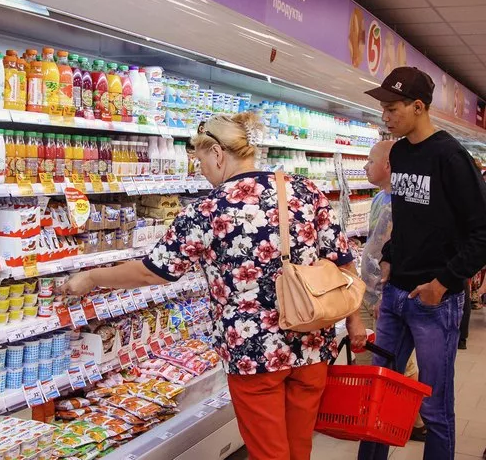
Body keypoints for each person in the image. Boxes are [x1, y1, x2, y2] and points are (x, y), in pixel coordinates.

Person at [60, 111, 368, 460]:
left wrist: (92, 277)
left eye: (201, 160)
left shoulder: (208, 209)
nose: (201, 169)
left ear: (218, 153)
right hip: (312, 340)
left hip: (253, 352)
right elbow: (343, 262)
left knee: (269, 454)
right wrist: (354, 320)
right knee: (299, 449)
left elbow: (152, 272)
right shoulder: (304, 190)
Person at [359, 66, 486, 460]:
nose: (385, 116)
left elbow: (482, 232)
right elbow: (406, 220)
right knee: (378, 397)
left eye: (392, 108)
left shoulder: (451, 157)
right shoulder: (398, 153)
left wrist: (443, 282)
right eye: (383, 108)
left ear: (418, 106)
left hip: (435, 302)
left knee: (434, 407)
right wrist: (388, 264)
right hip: (395, 297)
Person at [358, 139, 426, 441]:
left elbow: (402, 252)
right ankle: (371, 415)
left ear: (387, 165)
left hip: (386, 295)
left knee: (400, 360)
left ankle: (415, 421)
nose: (365, 166)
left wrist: (386, 295)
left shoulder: (404, 202)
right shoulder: (378, 199)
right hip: (366, 290)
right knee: (368, 357)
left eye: (370, 161)